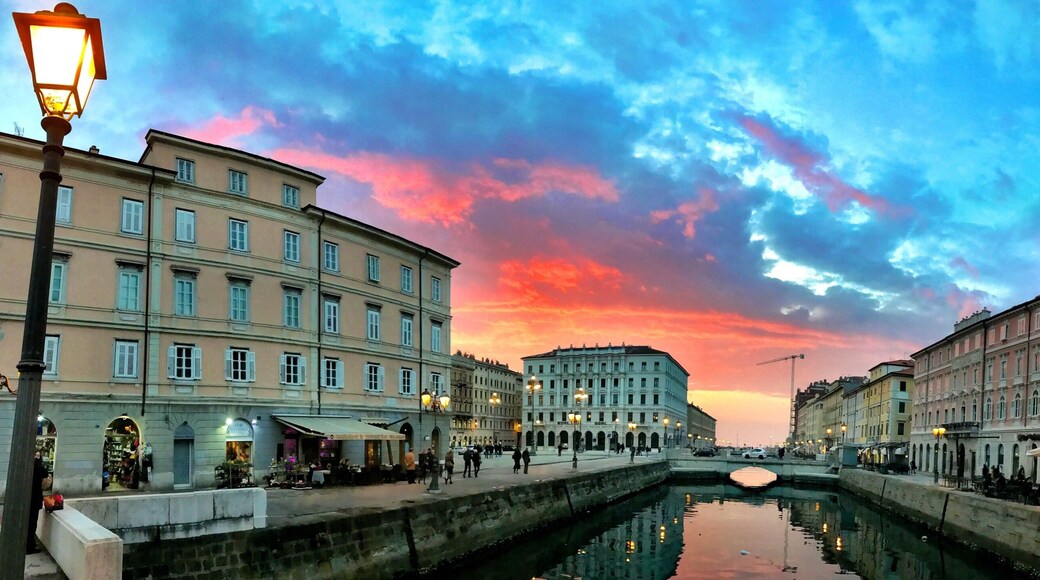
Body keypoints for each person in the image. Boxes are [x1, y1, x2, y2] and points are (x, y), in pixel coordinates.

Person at [27, 451, 47, 554]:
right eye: (36, 456)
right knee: (32, 523)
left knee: (30, 523)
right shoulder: (38, 468)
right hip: (34, 499)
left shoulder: (27, 467)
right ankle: (30, 546)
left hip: (29, 499)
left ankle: (30, 544)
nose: (37, 458)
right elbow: (45, 473)